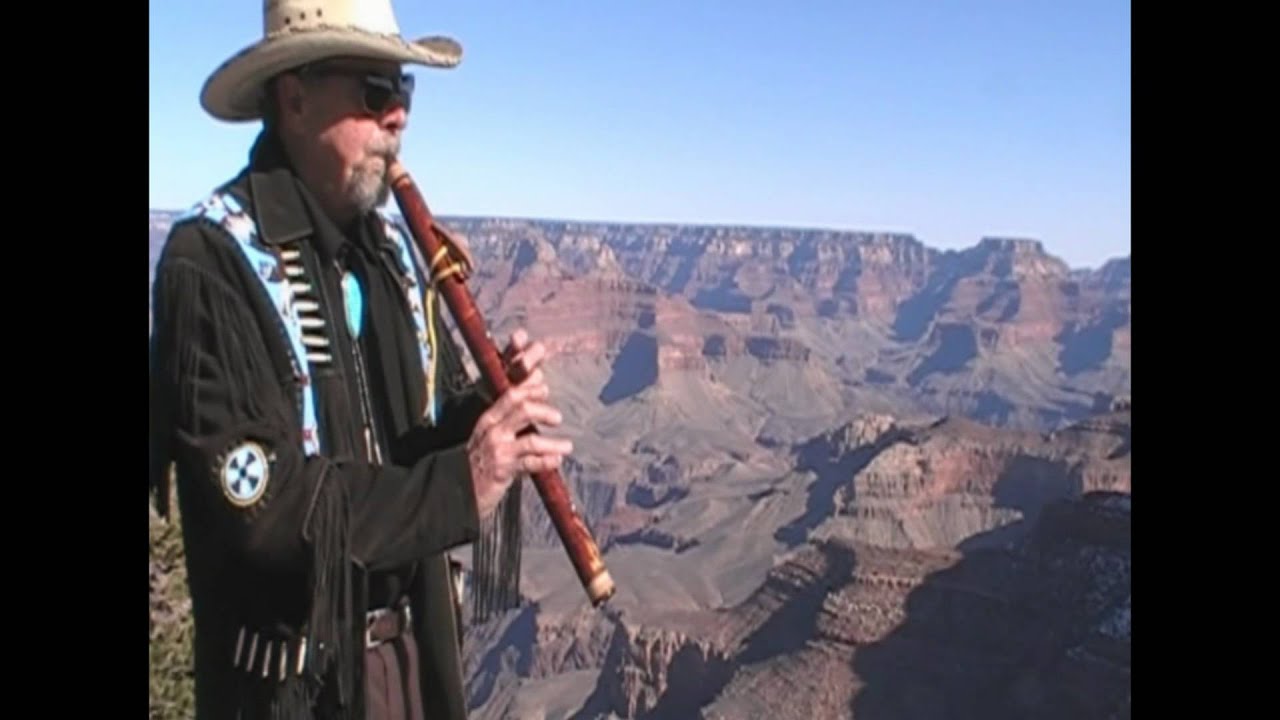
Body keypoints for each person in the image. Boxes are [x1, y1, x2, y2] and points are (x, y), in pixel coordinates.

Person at [147, 1, 572, 718]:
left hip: (408, 666)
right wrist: (462, 485)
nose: (399, 117)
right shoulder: (212, 263)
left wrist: (488, 414)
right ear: (295, 95)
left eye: (403, 92)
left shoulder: (391, 256)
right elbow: (268, 512)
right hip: (300, 692)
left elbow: (403, 447)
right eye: (375, 92)